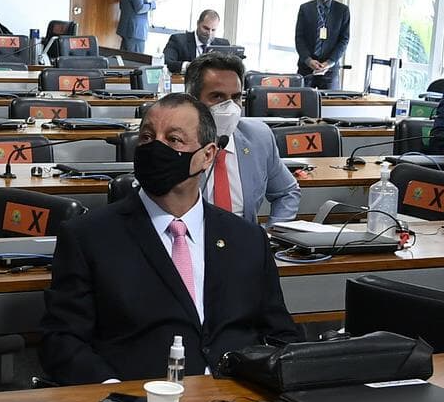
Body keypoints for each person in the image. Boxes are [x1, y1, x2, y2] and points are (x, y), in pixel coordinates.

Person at [39, 92, 300, 385]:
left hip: (239, 399)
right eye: (147, 137)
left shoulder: (248, 238)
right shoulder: (88, 236)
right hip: (139, 399)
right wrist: (113, 393)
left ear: (207, 155)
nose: (156, 147)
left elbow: (280, 334)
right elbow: (62, 340)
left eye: (174, 140)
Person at [185, 50, 300, 224]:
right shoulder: (174, 143)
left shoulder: (259, 137)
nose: (229, 106)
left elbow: (287, 192)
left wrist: (271, 233)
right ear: (192, 100)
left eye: (236, 97)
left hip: (246, 237)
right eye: (217, 96)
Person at [294, 0, 351, 89]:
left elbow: (344, 40)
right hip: (306, 69)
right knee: (303, 100)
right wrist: (309, 60)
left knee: (330, 101)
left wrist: (329, 62)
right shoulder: (305, 9)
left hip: (329, 72)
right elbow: (299, 38)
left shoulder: (342, 11)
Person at [163, 9, 221, 75]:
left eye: (213, 30)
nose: (209, 33)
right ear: (198, 23)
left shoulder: (222, 45)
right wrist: (188, 66)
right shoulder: (178, 40)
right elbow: (166, 62)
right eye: (206, 28)